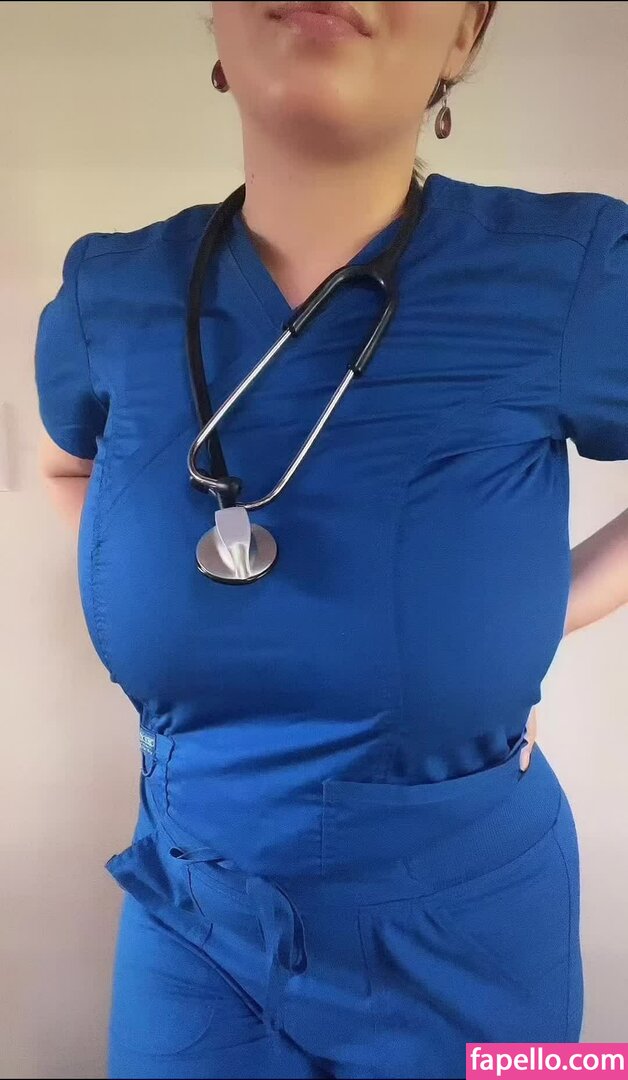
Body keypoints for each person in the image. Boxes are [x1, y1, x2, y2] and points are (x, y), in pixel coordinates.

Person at [34, 3, 628, 1078]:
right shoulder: (107, 294)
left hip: (474, 943)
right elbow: (62, 464)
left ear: (464, 35)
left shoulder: (573, 274)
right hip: (189, 916)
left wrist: (543, 608)